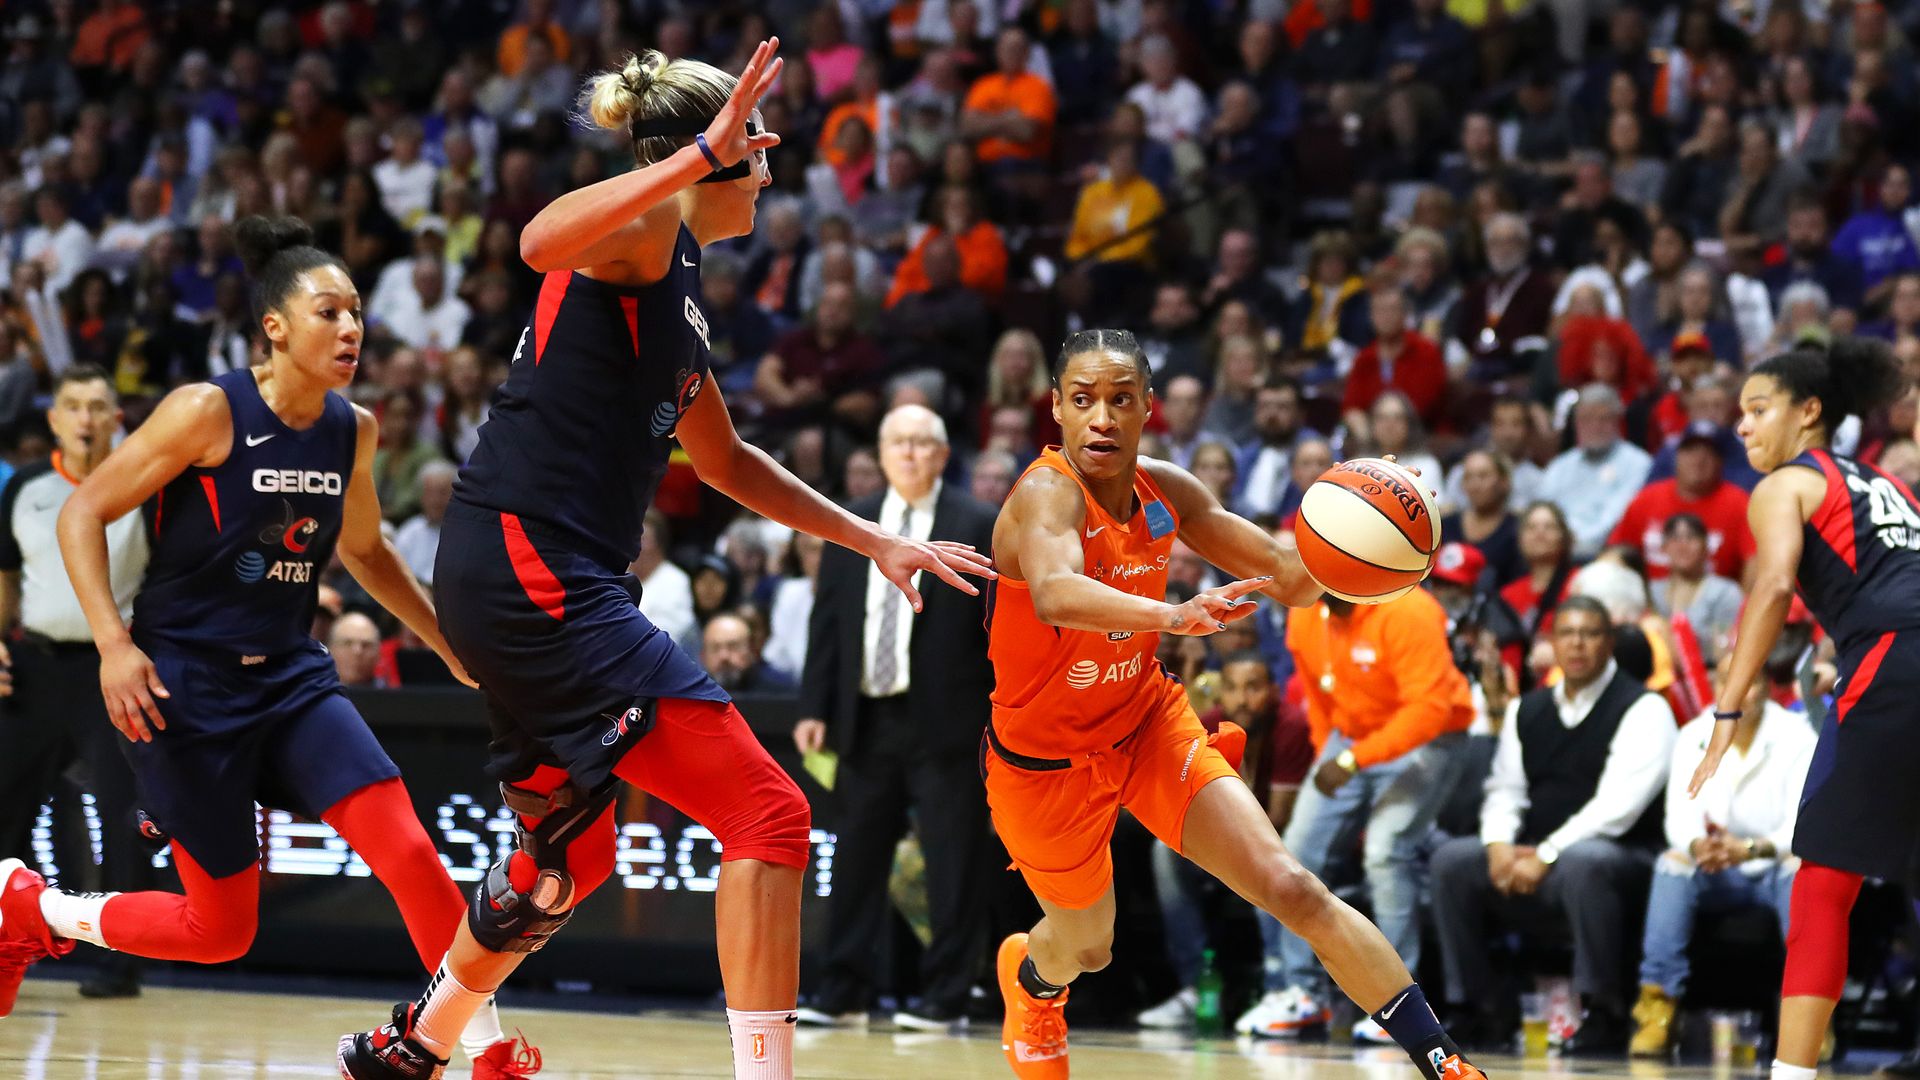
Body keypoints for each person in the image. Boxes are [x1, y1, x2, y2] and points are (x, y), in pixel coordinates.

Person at [335, 42, 989, 1080]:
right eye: (755, 156)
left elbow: (727, 461)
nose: (766, 175)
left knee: (565, 865)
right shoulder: (639, 227)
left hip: (512, 572)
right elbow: (538, 240)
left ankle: (417, 1045)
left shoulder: (676, 279)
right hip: (530, 563)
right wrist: (696, 156)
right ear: (707, 153)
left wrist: (874, 541)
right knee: (770, 813)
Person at [0, 216, 539, 1076]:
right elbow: (83, 510)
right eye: (330, 312)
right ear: (275, 327)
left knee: (409, 852)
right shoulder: (207, 410)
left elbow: (364, 550)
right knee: (220, 933)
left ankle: (484, 1047)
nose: (352, 328)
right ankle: (34, 909)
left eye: (358, 312)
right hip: (183, 686)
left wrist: (445, 642)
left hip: (292, 681)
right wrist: (112, 643)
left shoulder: (352, 428)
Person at [984, 328, 1488, 1080]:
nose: (1102, 419)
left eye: (1121, 401)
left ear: (1149, 408)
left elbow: (1293, 577)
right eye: (1083, 400)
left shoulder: (1166, 490)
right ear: (1055, 408)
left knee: (1291, 885)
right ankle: (1031, 982)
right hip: (1043, 762)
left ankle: (1444, 1062)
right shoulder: (1044, 493)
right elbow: (1056, 594)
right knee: (1088, 945)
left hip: (1145, 724)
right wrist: (1172, 616)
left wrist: (1374, 516)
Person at [1689, 336, 1920, 1080]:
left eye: (1758, 410)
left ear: (1809, 411)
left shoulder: (1784, 484)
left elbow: (1776, 586)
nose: (1744, 427)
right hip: (1893, 652)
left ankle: (1791, 1075)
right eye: (1740, 415)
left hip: (1895, 663)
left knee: (1822, 878)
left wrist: (1726, 713)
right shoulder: (1890, 483)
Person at [792, 403, 999, 1031]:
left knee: (952, 860)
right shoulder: (851, 525)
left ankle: (947, 997)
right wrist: (814, 706)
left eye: (920, 443)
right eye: (898, 443)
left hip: (948, 720)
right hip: (866, 713)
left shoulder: (978, 522)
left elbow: (998, 631)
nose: (909, 453)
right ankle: (843, 989)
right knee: (855, 858)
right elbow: (828, 621)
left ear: (941, 454)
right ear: (881, 454)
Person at [1430, 597, 1676, 1054]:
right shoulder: (1528, 709)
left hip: (1624, 857)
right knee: (1452, 861)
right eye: (1567, 633)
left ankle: (1604, 1011)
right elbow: (1505, 789)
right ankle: (1476, 1008)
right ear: (1552, 643)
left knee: (1588, 861)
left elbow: (1616, 809)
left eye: (1590, 633)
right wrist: (1500, 846)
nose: (1578, 644)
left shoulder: (1645, 708)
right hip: (1536, 854)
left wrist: (1546, 853)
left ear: (1610, 644)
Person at [1239, 589, 1473, 1043]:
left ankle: (1403, 1007)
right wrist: (1333, 749)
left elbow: (1429, 709)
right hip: (1348, 740)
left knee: (1386, 851)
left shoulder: (1409, 610)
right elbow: (1317, 693)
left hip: (1431, 739)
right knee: (1287, 857)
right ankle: (1301, 995)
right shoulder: (1305, 612)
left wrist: (1351, 761)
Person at [0, 367, 153, 1000]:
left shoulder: (144, 489)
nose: (86, 418)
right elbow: (5, 577)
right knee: (5, 810)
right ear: (54, 419)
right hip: (33, 667)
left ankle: (121, 961)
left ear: (117, 418)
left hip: (108, 671)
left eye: (97, 406)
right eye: (73, 406)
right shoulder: (27, 488)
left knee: (122, 815)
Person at [1630, 665, 1816, 1058]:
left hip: (1773, 865)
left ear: (1767, 688)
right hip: (1715, 868)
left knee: (1804, 867)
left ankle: (1809, 1013)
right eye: (1727, 684)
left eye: (1749, 683)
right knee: (1673, 862)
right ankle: (1658, 1007)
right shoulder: (1693, 734)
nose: (1739, 693)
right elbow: (1678, 816)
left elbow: (1804, 825)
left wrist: (1749, 848)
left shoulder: (1798, 736)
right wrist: (1699, 845)